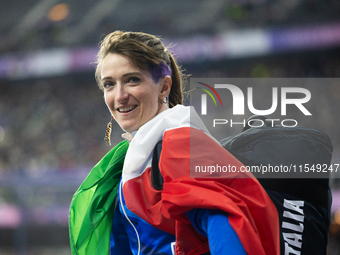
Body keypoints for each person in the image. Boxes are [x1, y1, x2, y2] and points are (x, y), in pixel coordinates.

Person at [69, 31, 280, 255]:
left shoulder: (179, 144)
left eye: (132, 80)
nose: (119, 95)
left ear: (163, 87)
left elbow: (225, 216)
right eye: (109, 84)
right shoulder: (137, 155)